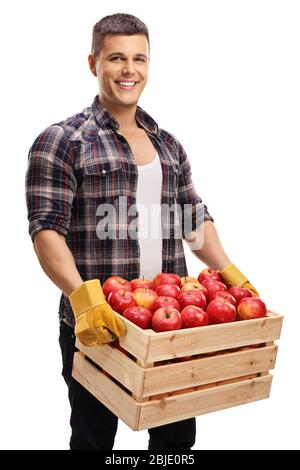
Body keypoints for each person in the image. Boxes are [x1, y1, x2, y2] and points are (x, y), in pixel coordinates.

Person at [25, 13, 258, 450]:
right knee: (94, 441)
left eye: (139, 59)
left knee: (175, 444)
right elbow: (46, 232)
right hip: (100, 323)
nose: (129, 70)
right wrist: (83, 299)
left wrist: (233, 277)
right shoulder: (62, 140)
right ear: (93, 63)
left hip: (171, 325)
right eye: (116, 58)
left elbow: (194, 219)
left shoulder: (168, 145)